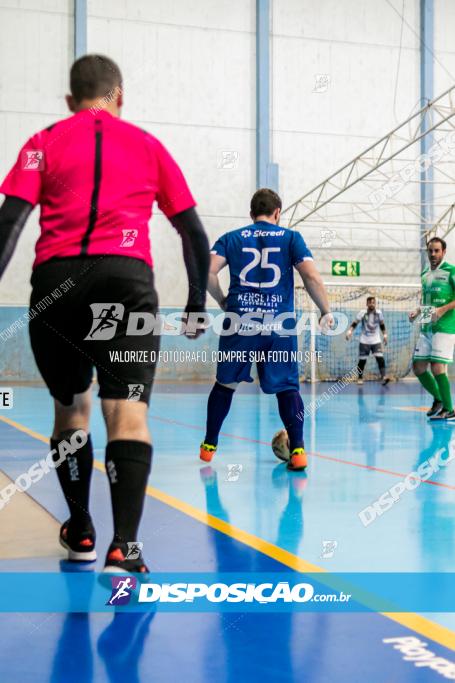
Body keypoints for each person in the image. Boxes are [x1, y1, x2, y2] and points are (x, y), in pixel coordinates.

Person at [0, 55, 210, 572]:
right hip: (125, 283)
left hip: (56, 285)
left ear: (70, 100)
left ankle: (81, 531)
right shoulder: (148, 145)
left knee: (72, 410)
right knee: (128, 412)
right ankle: (126, 546)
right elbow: (194, 235)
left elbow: (9, 219)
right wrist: (196, 303)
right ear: (120, 98)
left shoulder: (41, 142)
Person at [199, 188, 333, 472]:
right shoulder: (291, 238)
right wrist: (326, 311)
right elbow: (310, 275)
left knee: (225, 384)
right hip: (278, 325)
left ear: (251, 214)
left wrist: (222, 299)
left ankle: (209, 447)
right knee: (286, 388)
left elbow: (206, 271)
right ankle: (298, 452)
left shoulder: (232, 238)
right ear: (278, 213)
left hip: (240, 322)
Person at [409, 237, 455, 420]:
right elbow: (426, 301)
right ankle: (438, 399)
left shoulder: (451, 271)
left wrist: (443, 310)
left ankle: (450, 409)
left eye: (437, 251)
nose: (433, 254)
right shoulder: (425, 274)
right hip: (427, 327)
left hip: (445, 327)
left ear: (443, 252)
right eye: (430, 251)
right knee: (418, 367)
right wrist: (417, 311)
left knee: (437, 367)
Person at [346, 296, 389, 385]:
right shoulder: (362, 313)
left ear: (375, 303)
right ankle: (360, 378)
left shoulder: (379, 313)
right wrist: (349, 331)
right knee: (362, 361)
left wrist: (385, 335)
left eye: (373, 302)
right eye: (370, 302)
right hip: (364, 340)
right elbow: (355, 323)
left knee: (380, 358)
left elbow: (382, 324)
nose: (371, 304)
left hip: (376, 340)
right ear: (367, 304)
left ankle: (383, 377)